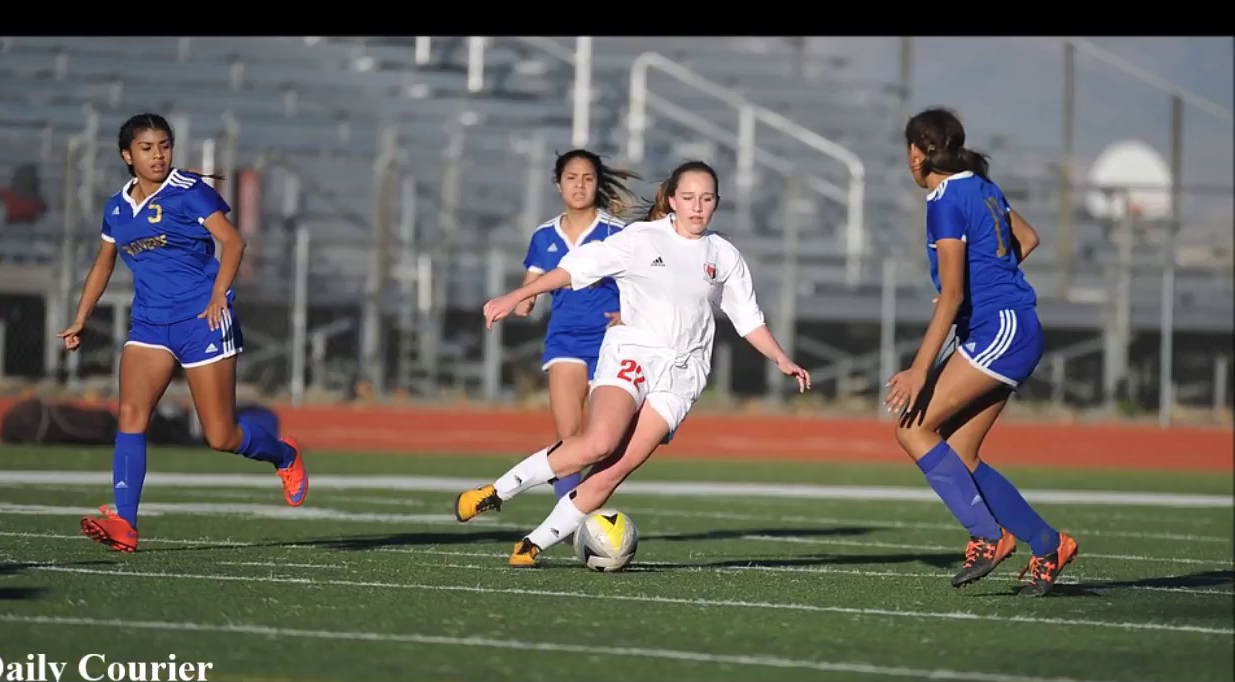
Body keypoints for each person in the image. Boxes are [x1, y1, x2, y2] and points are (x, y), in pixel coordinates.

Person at [453, 160, 810, 567]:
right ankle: (496, 492)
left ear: (717, 204)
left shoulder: (723, 255)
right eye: (689, 198)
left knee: (613, 470)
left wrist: (782, 358)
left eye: (706, 199)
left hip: (681, 375)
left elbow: (749, 319)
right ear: (672, 200)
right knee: (599, 443)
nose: (697, 207)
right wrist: (515, 296)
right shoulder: (642, 238)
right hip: (633, 354)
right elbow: (575, 269)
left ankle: (532, 545)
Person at [60, 113, 309, 553]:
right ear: (127, 156)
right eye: (146, 148)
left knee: (221, 437)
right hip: (151, 324)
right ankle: (126, 524)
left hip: (202, 321)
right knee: (131, 415)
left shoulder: (189, 192)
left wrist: (219, 294)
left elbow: (233, 242)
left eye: (164, 145)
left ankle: (284, 455)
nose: (157, 155)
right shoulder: (117, 208)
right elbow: (104, 262)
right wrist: (81, 316)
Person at [885, 107, 1077, 597]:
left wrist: (917, 370)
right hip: (1010, 326)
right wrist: (978, 286)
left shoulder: (944, 199)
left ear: (915, 154)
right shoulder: (982, 185)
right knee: (961, 453)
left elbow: (950, 297)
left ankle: (988, 536)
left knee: (913, 429)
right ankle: (1048, 543)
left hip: (1001, 328)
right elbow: (1027, 239)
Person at [515, 149, 639, 499]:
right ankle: (567, 518)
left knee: (604, 442)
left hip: (610, 343)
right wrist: (525, 299)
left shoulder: (619, 232)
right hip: (565, 340)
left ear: (597, 183)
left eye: (587, 178)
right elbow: (532, 284)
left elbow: (643, 283)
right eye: (571, 178)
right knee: (569, 435)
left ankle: (585, 504)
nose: (580, 186)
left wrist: (628, 313)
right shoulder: (544, 236)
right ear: (558, 185)